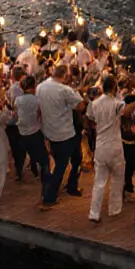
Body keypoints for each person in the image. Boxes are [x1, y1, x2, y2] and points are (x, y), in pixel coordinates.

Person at [37, 64, 86, 209]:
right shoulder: (65, 90)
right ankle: (49, 196)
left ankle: (69, 186)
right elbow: (81, 106)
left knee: (63, 161)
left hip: (49, 131)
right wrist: (77, 94)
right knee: (65, 164)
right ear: (65, 76)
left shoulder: (41, 87)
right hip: (65, 132)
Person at [86, 75, 126, 223]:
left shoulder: (95, 103)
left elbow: (90, 116)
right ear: (114, 88)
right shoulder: (118, 103)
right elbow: (124, 110)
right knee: (117, 178)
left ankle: (94, 212)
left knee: (99, 181)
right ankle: (114, 209)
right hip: (115, 145)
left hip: (101, 145)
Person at [15, 75, 48, 186]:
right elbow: (40, 114)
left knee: (23, 155)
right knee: (44, 160)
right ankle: (46, 183)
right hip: (35, 132)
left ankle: (20, 173)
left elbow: (16, 114)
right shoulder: (37, 100)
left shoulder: (18, 100)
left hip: (22, 133)